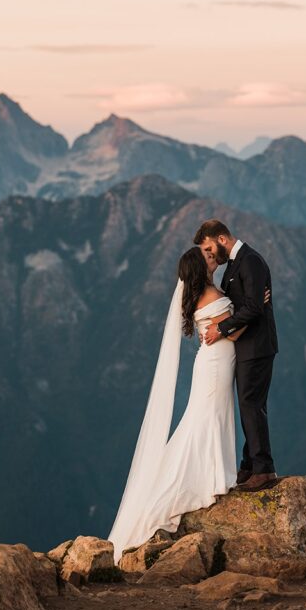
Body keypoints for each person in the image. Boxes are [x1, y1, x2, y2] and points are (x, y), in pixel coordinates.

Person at [106, 245, 269, 562]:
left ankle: (212, 472)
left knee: (208, 416)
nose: (213, 256)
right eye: (207, 257)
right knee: (206, 417)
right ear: (199, 267)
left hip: (215, 362)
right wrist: (256, 308)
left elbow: (229, 325)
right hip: (216, 365)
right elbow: (234, 334)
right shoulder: (208, 296)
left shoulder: (208, 291)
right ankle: (206, 477)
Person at [195, 219, 279, 493]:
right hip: (246, 346)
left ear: (221, 238)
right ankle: (249, 465)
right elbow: (247, 305)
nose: (209, 254)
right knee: (249, 404)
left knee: (250, 404)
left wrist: (220, 326)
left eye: (209, 247)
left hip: (256, 346)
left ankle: (264, 469)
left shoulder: (250, 261)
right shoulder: (233, 265)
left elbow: (253, 307)